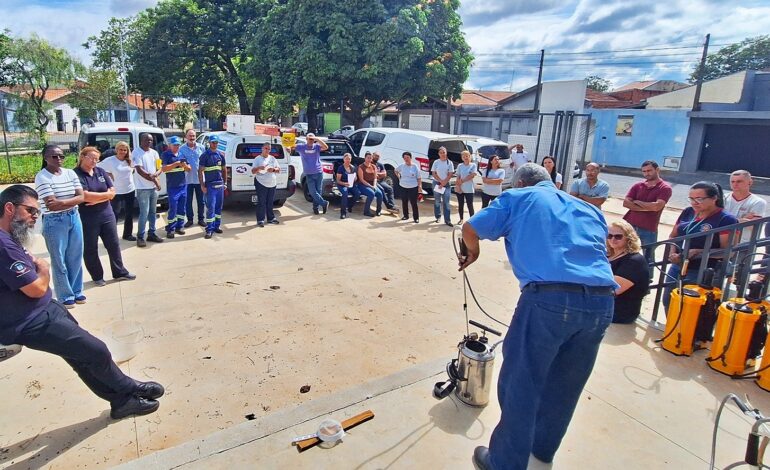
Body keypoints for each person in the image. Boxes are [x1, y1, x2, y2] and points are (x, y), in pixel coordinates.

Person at [459, 163, 616, 470]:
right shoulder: (589, 208)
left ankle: (504, 463)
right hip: (601, 304)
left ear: (520, 183)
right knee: (566, 384)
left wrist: (472, 252)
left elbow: (470, 228)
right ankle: (542, 452)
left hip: (549, 301)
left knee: (521, 383)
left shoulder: (518, 197)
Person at [0, 185, 164, 420]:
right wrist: (44, 270)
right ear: (9, 208)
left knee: (81, 357)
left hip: (45, 309)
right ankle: (128, 389)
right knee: (96, 351)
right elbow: (36, 288)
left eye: (37, 212)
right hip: (31, 321)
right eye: (30, 211)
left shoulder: (9, 237)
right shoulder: (3, 245)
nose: (35, 217)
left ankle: (122, 400)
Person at [662, 181, 738, 308]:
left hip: (703, 270)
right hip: (679, 264)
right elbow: (673, 236)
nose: (694, 203)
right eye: (691, 199)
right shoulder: (688, 212)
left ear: (714, 198)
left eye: (699, 199)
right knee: (668, 301)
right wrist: (672, 253)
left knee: (691, 307)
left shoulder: (726, 219)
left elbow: (729, 251)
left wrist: (698, 252)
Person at [74, 147, 136, 286]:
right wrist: (105, 196)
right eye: (92, 158)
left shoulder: (100, 171)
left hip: (107, 214)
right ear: (82, 157)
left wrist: (99, 198)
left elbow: (113, 192)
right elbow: (84, 196)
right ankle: (97, 276)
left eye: (97, 159)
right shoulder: (76, 174)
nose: (94, 161)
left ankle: (119, 272)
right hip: (88, 217)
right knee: (91, 248)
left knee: (113, 244)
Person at [35, 144, 86, 308]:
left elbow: (82, 197)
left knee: (75, 257)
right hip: (54, 221)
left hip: (74, 217)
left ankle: (77, 291)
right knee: (59, 260)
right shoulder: (42, 177)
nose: (58, 159)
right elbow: (51, 206)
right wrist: (71, 201)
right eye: (54, 156)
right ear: (45, 158)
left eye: (61, 156)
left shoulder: (70, 173)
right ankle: (65, 295)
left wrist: (62, 202)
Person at [622, 160, 673, 268]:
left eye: (649, 170)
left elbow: (657, 206)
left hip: (648, 227)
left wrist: (637, 202)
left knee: (648, 257)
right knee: (624, 251)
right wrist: (647, 207)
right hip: (630, 224)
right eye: (644, 171)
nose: (646, 173)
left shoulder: (665, 188)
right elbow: (626, 203)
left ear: (657, 170)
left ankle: (648, 277)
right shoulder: (638, 185)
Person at [607, 220, 649, 324]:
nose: (613, 239)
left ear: (628, 238)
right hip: (607, 305)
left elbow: (614, 290)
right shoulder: (609, 254)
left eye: (618, 236)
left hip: (620, 312)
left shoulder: (634, 261)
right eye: (609, 236)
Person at [98, 141, 136, 241]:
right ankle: (112, 236)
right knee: (115, 214)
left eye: (125, 150)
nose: (122, 152)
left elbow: (133, 169)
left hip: (129, 190)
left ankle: (127, 234)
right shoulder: (109, 160)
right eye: (120, 149)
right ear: (116, 150)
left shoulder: (130, 160)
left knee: (129, 214)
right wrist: (108, 174)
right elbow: (97, 167)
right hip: (116, 191)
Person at [132, 133, 164, 247]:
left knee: (153, 212)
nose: (149, 142)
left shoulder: (154, 153)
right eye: (146, 140)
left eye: (150, 140)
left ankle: (152, 233)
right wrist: (155, 180)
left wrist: (156, 175)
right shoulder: (136, 152)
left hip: (153, 189)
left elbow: (160, 167)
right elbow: (139, 170)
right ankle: (140, 237)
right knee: (144, 213)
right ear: (141, 141)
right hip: (143, 189)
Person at [724, 169, 767, 243]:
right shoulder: (722, 198)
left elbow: (753, 226)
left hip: (743, 244)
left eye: (739, 181)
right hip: (721, 242)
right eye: (732, 181)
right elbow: (714, 220)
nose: (735, 184)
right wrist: (741, 219)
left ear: (750, 182)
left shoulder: (758, 202)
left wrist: (726, 219)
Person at [161, 136, 191, 239]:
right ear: (170, 145)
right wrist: (176, 164)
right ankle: (171, 229)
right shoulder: (166, 154)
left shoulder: (182, 154)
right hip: (172, 187)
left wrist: (185, 166)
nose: (177, 147)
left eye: (178, 145)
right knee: (173, 208)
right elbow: (164, 169)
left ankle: (180, 226)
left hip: (183, 186)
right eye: (175, 145)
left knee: (182, 208)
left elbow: (189, 169)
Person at [198, 135, 227, 239]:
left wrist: (225, 183)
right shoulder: (205, 156)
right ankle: (209, 230)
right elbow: (200, 171)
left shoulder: (221, 155)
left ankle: (216, 226)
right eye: (213, 142)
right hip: (210, 186)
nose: (215, 144)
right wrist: (202, 185)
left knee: (219, 208)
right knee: (211, 208)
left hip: (220, 185)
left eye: (216, 142)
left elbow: (224, 169)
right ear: (209, 143)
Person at [295, 133, 329, 214]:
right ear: (306, 139)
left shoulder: (317, 146)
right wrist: (288, 148)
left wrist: (317, 139)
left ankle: (315, 208)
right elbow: (291, 146)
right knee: (312, 192)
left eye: (312, 139)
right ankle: (324, 203)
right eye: (309, 139)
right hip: (309, 174)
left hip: (318, 172)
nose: (311, 140)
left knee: (318, 191)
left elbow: (326, 147)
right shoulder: (301, 147)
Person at [179, 129, 206, 228]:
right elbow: (181, 162)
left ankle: (201, 219)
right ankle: (190, 220)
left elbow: (204, 161)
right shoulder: (182, 149)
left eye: (193, 136)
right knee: (188, 201)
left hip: (200, 179)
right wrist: (185, 165)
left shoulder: (201, 147)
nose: (192, 138)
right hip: (187, 180)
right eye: (190, 136)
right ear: (186, 137)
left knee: (201, 201)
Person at [251, 142, 281, 227]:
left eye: (269, 149)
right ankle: (260, 220)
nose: (267, 150)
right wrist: (259, 168)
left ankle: (271, 218)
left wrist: (273, 170)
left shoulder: (272, 158)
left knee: (270, 202)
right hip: (261, 183)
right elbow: (253, 171)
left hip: (272, 183)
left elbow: (278, 169)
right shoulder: (257, 159)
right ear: (262, 148)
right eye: (266, 148)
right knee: (262, 202)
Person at [431, 146, 454, 227]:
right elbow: (434, 173)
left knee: (446, 202)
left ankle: (447, 220)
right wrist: (441, 182)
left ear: (446, 153)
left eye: (444, 152)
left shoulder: (449, 163)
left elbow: (450, 174)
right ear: (438, 154)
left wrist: (444, 182)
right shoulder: (436, 162)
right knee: (437, 201)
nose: (443, 154)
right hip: (437, 183)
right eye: (441, 153)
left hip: (446, 184)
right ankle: (438, 217)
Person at [395, 151, 421, 223]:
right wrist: (399, 177)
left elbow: (419, 178)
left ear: (411, 158)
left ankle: (416, 218)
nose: (406, 159)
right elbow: (396, 170)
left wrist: (420, 187)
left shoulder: (415, 166)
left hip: (413, 187)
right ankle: (405, 215)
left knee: (413, 203)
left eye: (407, 157)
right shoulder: (402, 166)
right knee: (404, 201)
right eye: (405, 158)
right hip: (403, 186)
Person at [356, 152, 383, 217]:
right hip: (363, 185)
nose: (369, 159)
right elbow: (362, 180)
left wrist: (374, 185)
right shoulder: (361, 167)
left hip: (372, 184)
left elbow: (375, 178)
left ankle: (378, 210)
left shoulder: (373, 166)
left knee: (380, 194)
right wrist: (370, 186)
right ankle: (366, 211)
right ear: (365, 158)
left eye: (370, 158)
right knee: (371, 193)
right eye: (368, 158)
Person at [454, 150, 477, 223]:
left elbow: (472, 175)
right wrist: (458, 185)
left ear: (470, 157)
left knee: (470, 205)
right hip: (460, 188)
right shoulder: (460, 166)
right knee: (460, 205)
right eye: (464, 156)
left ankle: (472, 220)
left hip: (469, 189)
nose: (465, 157)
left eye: (467, 156)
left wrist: (462, 181)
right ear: (462, 158)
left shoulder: (473, 165)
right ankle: (461, 219)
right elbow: (458, 176)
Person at [335, 152, 360, 219]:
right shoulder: (341, 168)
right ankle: (343, 213)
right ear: (344, 159)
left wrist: (355, 178)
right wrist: (344, 184)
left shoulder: (353, 167)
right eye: (346, 159)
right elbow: (338, 181)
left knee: (357, 193)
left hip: (351, 184)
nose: (348, 160)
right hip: (342, 184)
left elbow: (355, 177)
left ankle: (350, 206)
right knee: (345, 193)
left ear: (351, 159)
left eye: (349, 159)